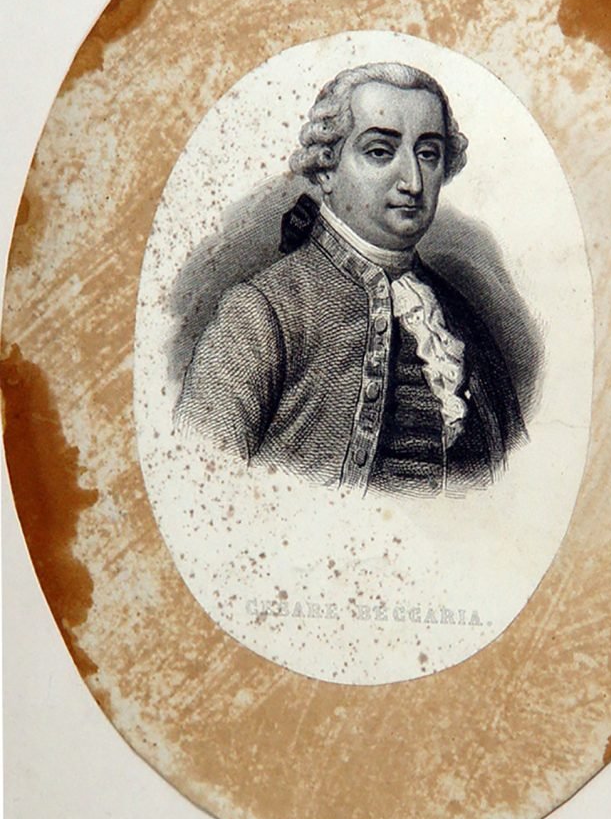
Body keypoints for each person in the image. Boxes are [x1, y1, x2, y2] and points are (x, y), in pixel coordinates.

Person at [175, 62, 527, 495]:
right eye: (380, 152)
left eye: (428, 154)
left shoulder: (459, 318)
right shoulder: (260, 313)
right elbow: (198, 483)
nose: (413, 182)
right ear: (327, 167)